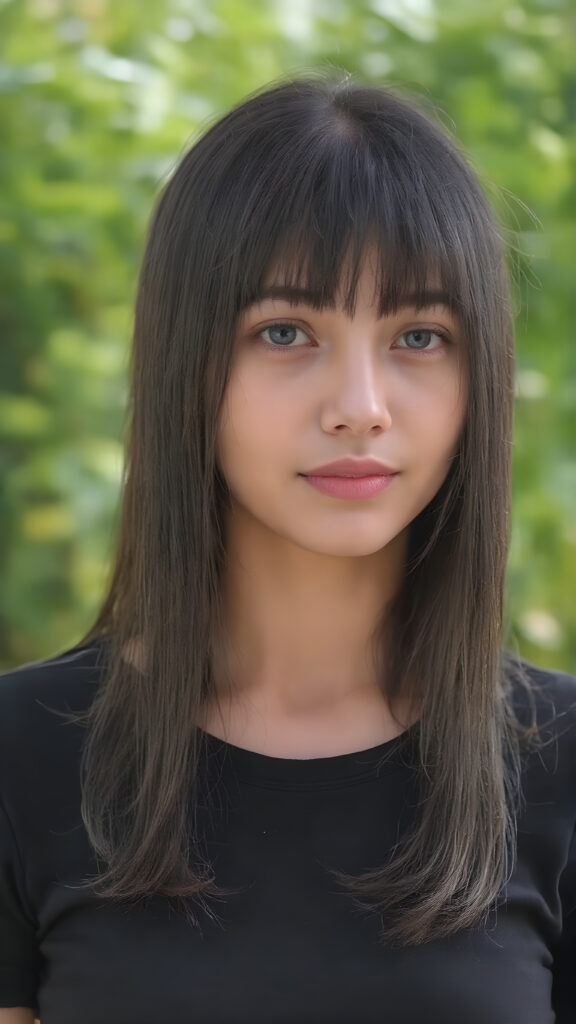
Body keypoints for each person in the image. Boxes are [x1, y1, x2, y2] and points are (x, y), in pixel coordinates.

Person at [0, 71, 574, 1024]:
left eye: (420, 336)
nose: (361, 406)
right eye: (285, 330)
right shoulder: (21, 757)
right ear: (186, 361)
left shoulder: (558, 764)